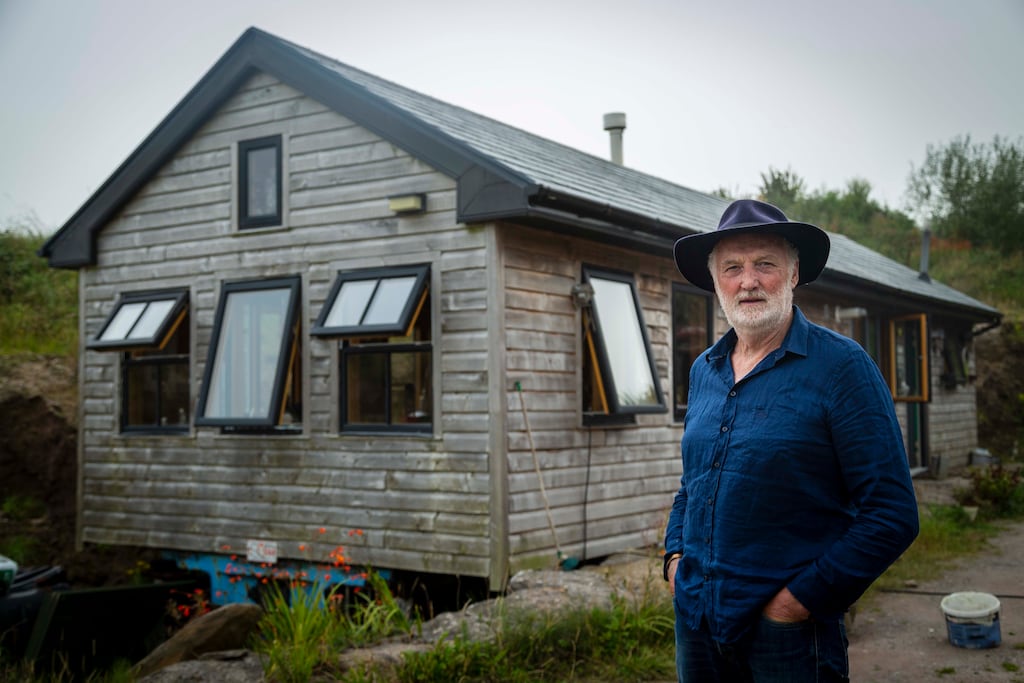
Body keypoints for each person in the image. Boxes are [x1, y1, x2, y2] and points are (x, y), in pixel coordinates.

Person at [663, 199, 919, 682]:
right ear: (716, 280)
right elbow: (694, 483)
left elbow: (892, 513)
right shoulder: (704, 370)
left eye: (765, 264)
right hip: (696, 621)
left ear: (794, 272)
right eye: (732, 268)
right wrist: (674, 562)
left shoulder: (842, 368)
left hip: (788, 639)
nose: (748, 281)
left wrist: (795, 605)